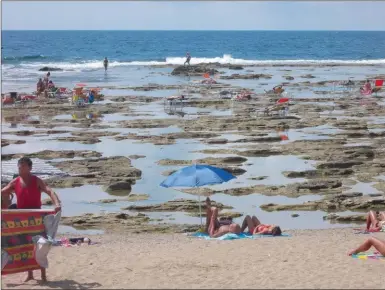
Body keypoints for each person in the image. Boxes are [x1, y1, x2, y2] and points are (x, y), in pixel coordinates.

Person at [1, 157, 62, 282]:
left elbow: (49, 191)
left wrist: (56, 204)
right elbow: (2, 192)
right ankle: (30, 275)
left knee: (40, 245)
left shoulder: (36, 180)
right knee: (26, 244)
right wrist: (6, 200)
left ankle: (43, 275)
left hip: (37, 218)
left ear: (30, 168)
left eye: (23, 165)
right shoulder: (15, 182)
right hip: (22, 217)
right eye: (19, 165)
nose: (20, 168)